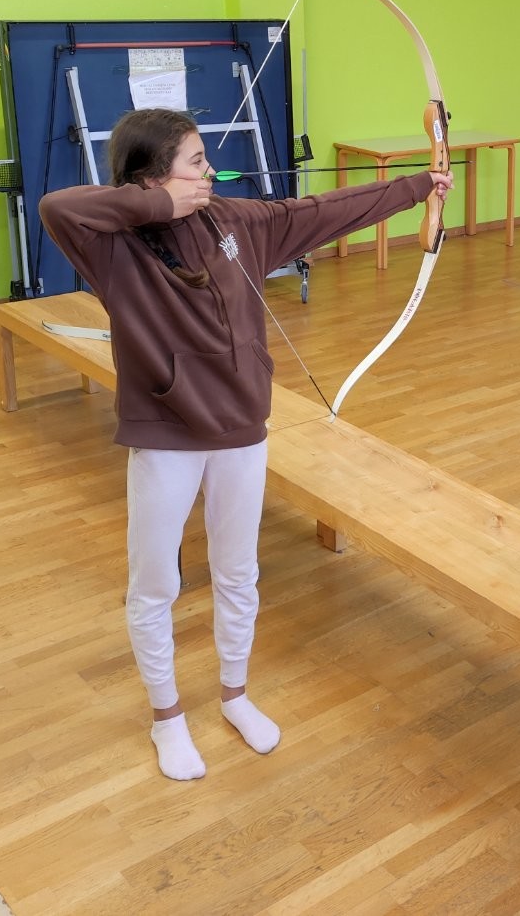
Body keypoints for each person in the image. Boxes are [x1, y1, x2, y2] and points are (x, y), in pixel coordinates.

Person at [40, 107, 450, 780]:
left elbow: (323, 210)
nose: (211, 171)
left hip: (241, 430)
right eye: (196, 162)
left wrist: (418, 187)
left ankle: (235, 695)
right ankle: (167, 717)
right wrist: (158, 205)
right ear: (151, 177)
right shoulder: (113, 246)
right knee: (155, 583)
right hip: (166, 437)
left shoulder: (235, 223)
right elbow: (57, 206)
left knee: (238, 572)